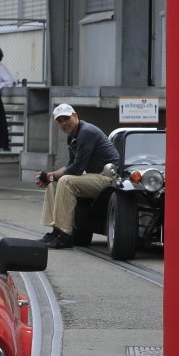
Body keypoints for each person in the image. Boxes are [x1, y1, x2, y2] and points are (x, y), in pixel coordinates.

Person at [38, 103, 119, 249]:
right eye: (60, 121)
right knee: (53, 183)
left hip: (109, 178)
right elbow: (71, 163)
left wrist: (50, 176)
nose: (64, 123)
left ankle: (65, 235)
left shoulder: (86, 132)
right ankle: (56, 231)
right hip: (95, 176)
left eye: (66, 118)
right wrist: (50, 177)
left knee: (65, 181)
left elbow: (76, 169)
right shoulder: (72, 137)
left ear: (75, 116)